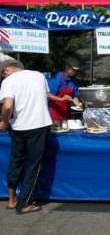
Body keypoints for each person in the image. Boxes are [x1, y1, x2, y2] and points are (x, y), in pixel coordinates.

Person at [0, 59, 52, 214]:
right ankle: (24, 203)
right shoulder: (38, 76)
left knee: (16, 161)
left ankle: (12, 200)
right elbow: (45, 95)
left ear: (9, 68)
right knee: (33, 164)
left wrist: (4, 121)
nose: (3, 76)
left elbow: (8, 105)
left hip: (18, 126)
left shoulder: (8, 82)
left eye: (3, 72)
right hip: (38, 125)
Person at [47, 59, 82, 124]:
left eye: (76, 70)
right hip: (54, 111)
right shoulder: (57, 77)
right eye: (73, 69)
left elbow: (75, 96)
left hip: (65, 111)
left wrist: (77, 104)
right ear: (67, 67)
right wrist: (61, 99)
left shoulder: (74, 80)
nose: (74, 72)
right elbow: (48, 95)